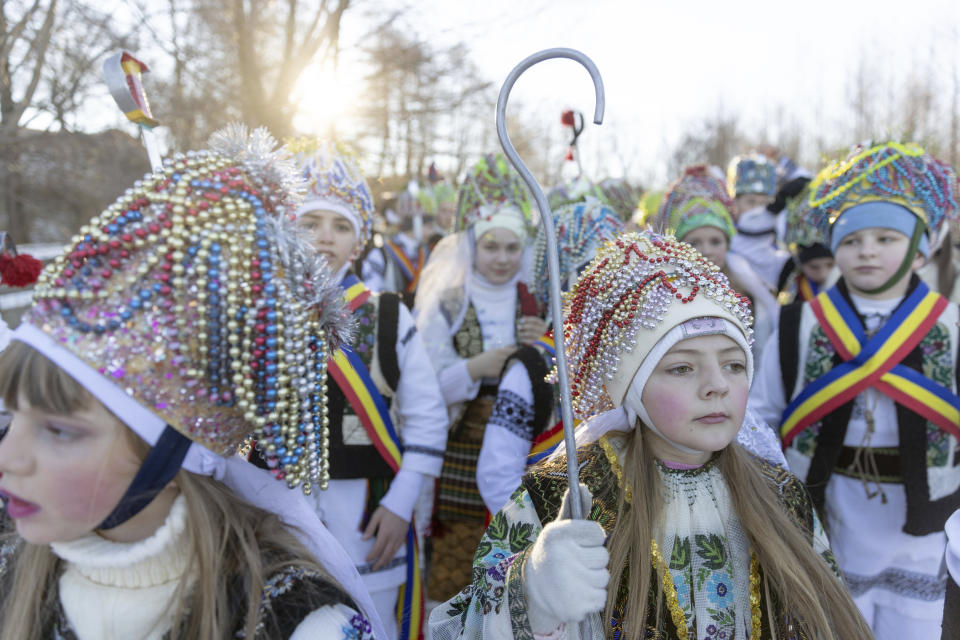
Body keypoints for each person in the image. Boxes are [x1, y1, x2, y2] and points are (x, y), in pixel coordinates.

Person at [0, 126, 385, 639]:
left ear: (166, 451)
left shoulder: (297, 624)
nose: (8, 457)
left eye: (60, 430)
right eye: (7, 418)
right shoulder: (13, 572)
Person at [428, 231, 872, 639]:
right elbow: (455, 627)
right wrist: (533, 595)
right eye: (682, 367)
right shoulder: (565, 497)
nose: (717, 384)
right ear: (631, 389)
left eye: (734, 364)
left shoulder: (778, 494)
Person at [748, 141, 960, 639]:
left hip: (924, 522)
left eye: (887, 238)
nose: (867, 250)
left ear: (922, 247)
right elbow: (760, 416)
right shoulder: (798, 324)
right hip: (831, 511)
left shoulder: (950, 328)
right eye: (852, 238)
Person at [288, 139, 448, 640]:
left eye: (340, 225)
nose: (324, 237)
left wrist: (401, 504)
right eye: (310, 223)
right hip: (279, 518)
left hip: (368, 519)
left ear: (358, 240)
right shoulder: (259, 313)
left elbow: (428, 421)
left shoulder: (386, 315)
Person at [414, 152, 547, 603]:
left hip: (521, 453)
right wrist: (474, 368)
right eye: (491, 246)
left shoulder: (535, 302)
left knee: (515, 570)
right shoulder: (449, 303)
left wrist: (541, 344)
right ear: (472, 245)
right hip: (460, 452)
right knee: (455, 569)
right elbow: (422, 388)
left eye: (512, 248)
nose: (502, 258)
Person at [476, 198, 624, 515]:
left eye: (615, 273)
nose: (602, 289)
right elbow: (496, 475)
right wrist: (540, 545)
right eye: (586, 273)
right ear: (557, 284)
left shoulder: (636, 357)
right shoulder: (533, 367)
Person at [655, 165, 778, 358]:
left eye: (715, 241)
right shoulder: (660, 296)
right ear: (678, 246)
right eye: (694, 242)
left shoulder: (747, 288)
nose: (706, 251)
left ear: (727, 244)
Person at [727, 153, 791, 289]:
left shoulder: (781, 248)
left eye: (764, 203)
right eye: (751, 202)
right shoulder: (722, 246)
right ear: (735, 202)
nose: (758, 210)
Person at [773, 176, 836, 304]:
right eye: (814, 267)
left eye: (830, 265)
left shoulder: (848, 283)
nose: (823, 274)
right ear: (799, 262)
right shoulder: (788, 280)